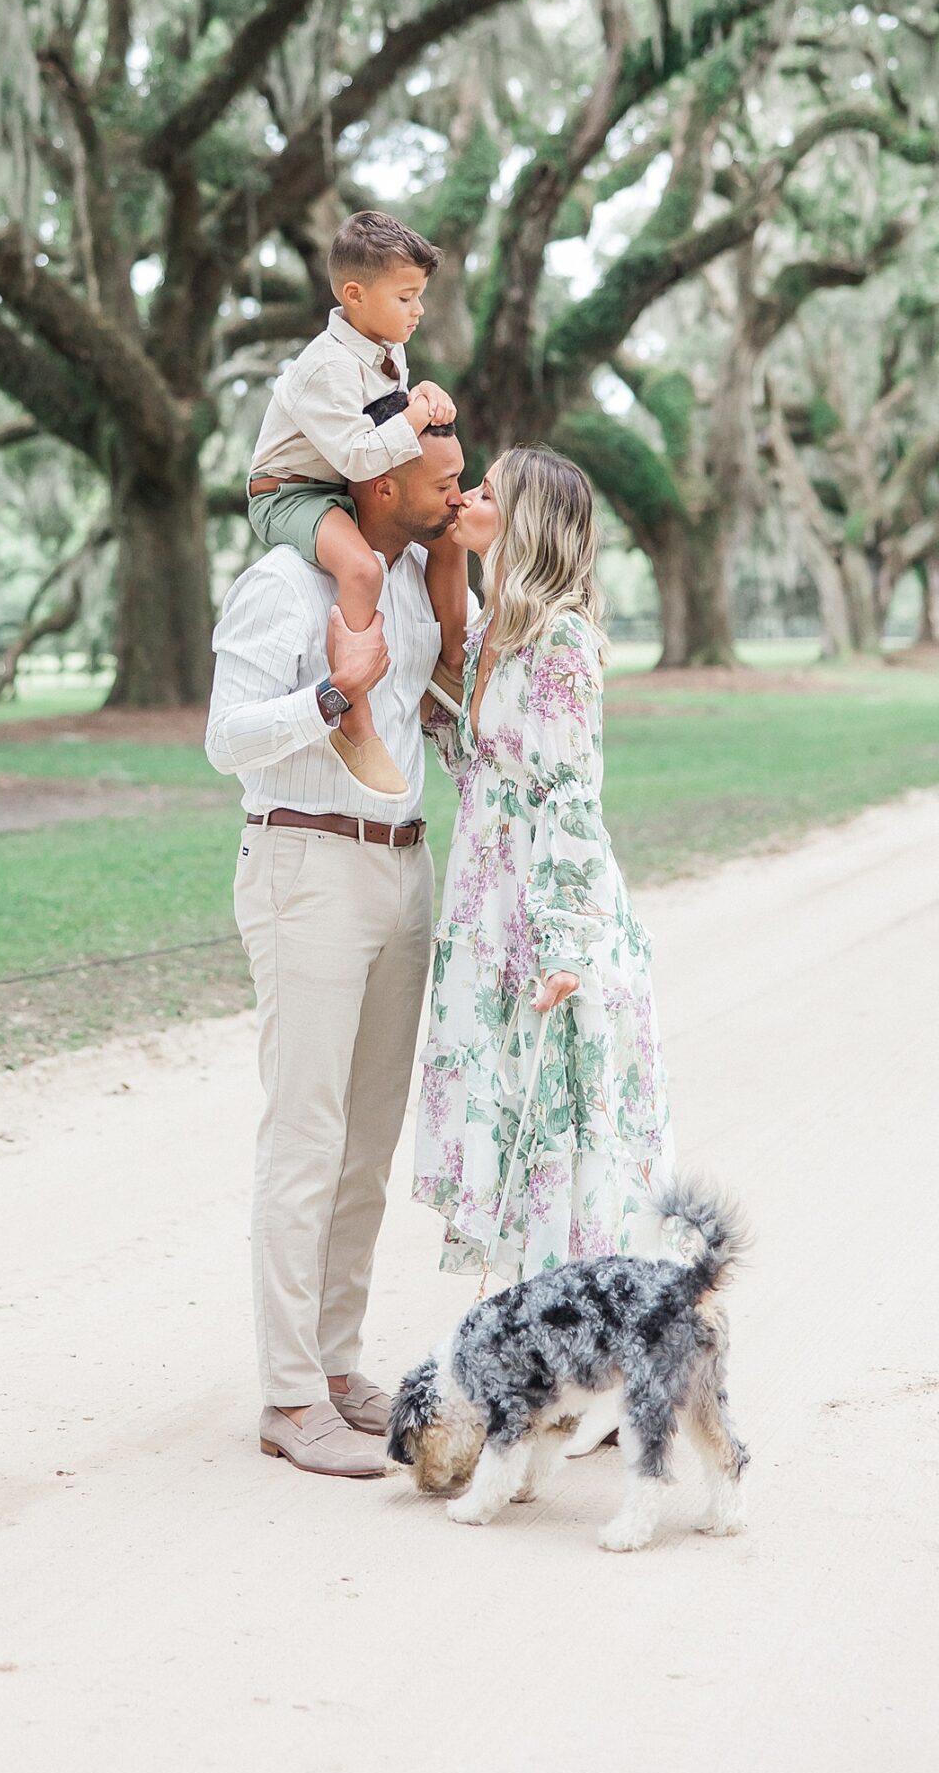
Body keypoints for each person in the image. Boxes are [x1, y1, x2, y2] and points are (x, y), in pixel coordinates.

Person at [206, 424, 468, 1479]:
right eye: (439, 477)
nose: (454, 490)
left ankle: (338, 1359)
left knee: (368, 1138)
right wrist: (330, 693)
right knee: (307, 1133)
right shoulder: (282, 583)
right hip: (305, 863)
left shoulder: (414, 574)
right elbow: (226, 738)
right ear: (382, 477)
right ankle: (286, 1394)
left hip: (403, 866)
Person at [413, 445, 672, 1285]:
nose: (466, 498)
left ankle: (592, 1327)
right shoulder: (491, 629)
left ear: (521, 520)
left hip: (547, 905)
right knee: (510, 1099)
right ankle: (539, 1325)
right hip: (486, 897)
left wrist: (560, 944)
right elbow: (487, 769)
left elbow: (569, 792)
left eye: (484, 492)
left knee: (561, 1109)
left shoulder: (561, 638)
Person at [244, 210, 469, 800]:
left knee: (448, 532)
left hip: (343, 489)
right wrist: (415, 413)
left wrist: (423, 393)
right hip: (290, 494)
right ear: (354, 295)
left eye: (420, 296)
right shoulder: (325, 367)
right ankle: (355, 720)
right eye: (406, 296)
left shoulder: (387, 349)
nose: (418, 310)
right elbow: (361, 456)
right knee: (364, 568)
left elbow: (390, 429)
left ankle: (450, 664)